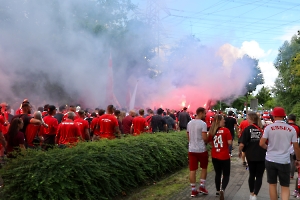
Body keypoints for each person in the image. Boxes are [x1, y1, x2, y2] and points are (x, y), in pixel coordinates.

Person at [259, 107, 300, 200]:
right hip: (284, 160)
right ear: (284, 116)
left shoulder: (268, 128)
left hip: (270, 159)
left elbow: (261, 143)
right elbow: (296, 147)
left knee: (272, 184)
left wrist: (268, 148)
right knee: (285, 186)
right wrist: (298, 159)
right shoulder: (291, 129)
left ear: (273, 116)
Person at [239, 112, 266, 200]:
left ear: (250, 119)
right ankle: (255, 194)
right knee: (259, 176)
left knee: (252, 174)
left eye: (247, 118)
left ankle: (251, 193)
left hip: (250, 155)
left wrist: (240, 151)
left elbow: (242, 144)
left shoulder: (247, 129)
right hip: (262, 154)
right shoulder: (262, 129)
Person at [208, 114, 232, 200]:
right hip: (224, 155)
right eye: (223, 120)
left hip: (215, 155)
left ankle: (217, 190)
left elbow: (210, 142)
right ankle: (223, 189)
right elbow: (229, 142)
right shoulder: (226, 130)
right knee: (226, 174)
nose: (224, 121)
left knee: (217, 173)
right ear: (219, 121)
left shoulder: (212, 131)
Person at [187, 107, 208, 197]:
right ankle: (202, 186)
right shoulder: (203, 124)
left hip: (191, 149)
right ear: (200, 113)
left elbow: (188, 136)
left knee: (192, 170)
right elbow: (204, 137)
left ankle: (193, 190)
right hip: (201, 149)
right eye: (204, 113)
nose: (205, 115)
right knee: (203, 167)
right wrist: (207, 141)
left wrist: (191, 143)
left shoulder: (189, 123)